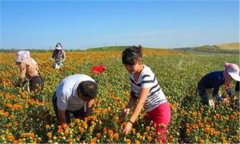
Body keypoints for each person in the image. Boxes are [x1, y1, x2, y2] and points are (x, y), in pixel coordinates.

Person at [121, 45, 171, 143]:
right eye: (126, 65)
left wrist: (130, 122)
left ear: (138, 60)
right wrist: (128, 108)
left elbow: (141, 101)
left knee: (159, 140)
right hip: (150, 111)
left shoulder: (146, 74)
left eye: (131, 64)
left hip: (160, 110)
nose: (129, 68)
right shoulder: (132, 75)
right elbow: (134, 95)